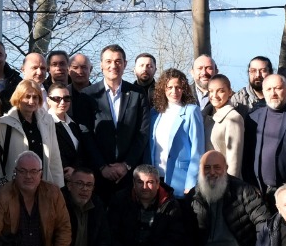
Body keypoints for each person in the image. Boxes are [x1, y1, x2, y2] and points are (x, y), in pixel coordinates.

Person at [185, 151, 270, 246]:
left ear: (226, 168)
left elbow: (264, 224)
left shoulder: (245, 191)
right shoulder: (194, 194)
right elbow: (186, 230)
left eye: (217, 167)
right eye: (207, 168)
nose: (212, 172)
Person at [86, 44, 150, 196]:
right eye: (108, 61)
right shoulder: (88, 95)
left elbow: (143, 132)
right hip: (97, 174)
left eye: (118, 61)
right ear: (101, 65)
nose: (113, 65)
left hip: (129, 174)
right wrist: (102, 167)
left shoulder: (137, 94)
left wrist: (126, 165)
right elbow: (85, 135)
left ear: (125, 64)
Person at [243, 74, 286, 198]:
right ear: (263, 92)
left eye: (278, 88)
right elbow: (247, 155)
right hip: (259, 191)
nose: (273, 93)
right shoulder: (253, 117)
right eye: (269, 89)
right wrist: (250, 184)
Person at [148, 68, 205, 197]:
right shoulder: (155, 113)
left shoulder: (191, 111)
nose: (174, 91)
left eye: (178, 87)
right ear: (163, 89)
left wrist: (191, 183)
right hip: (156, 177)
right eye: (170, 87)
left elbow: (198, 150)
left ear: (184, 89)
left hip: (180, 178)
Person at [0, 79, 64, 187]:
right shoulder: (4, 123)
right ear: (19, 98)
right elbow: (0, 163)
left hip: (42, 185)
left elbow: (54, 158)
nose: (32, 101)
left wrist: (58, 186)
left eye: (35, 97)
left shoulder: (47, 121)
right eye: (27, 97)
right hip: (14, 187)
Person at [63, 167, 112, 246]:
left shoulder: (97, 205)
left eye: (89, 185)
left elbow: (104, 242)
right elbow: (54, 243)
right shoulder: (60, 204)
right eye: (79, 184)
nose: (84, 189)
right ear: (69, 185)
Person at [47, 84, 99, 182]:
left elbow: (82, 152)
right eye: (57, 98)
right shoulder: (44, 124)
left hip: (78, 179)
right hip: (56, 180)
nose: (62, 102)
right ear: (48, 100)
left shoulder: (74, 124)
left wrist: (75, 170)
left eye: (67, 98)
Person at [204, 75, 243, 180]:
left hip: (221, 180)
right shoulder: (202, 116)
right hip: (204, 179)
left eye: (220, 91)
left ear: (230, 92)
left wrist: (230, 186)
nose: (214, 95)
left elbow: (234, 159)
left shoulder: (234, 118)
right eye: (211, 91)